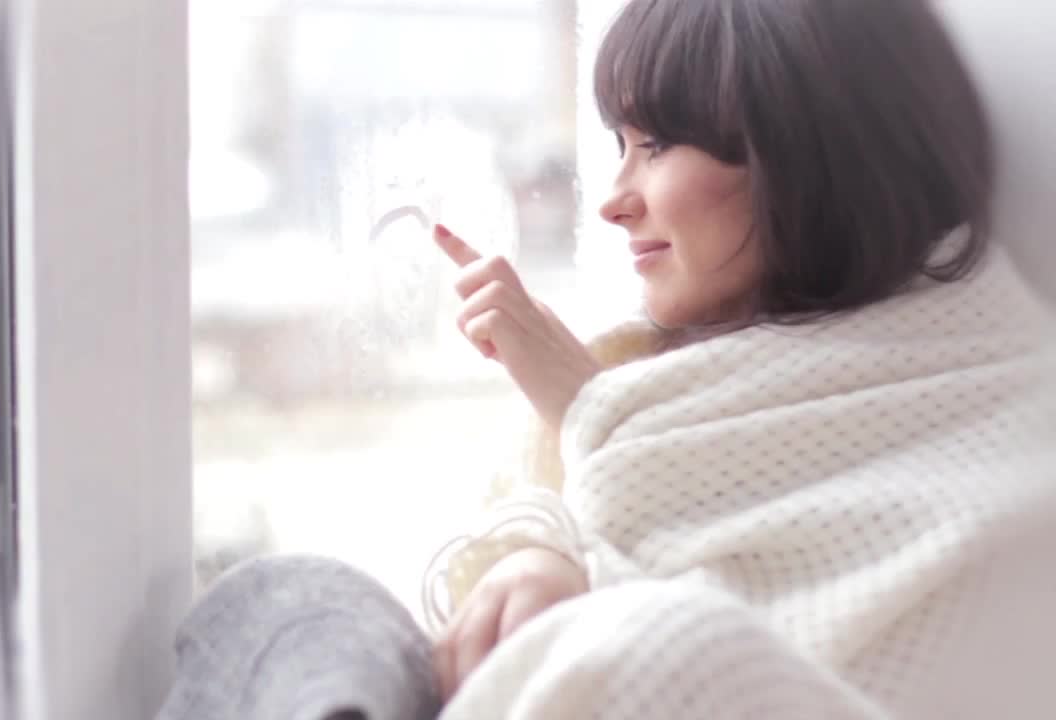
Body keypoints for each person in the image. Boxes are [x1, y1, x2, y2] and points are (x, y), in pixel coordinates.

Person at [156, 0, 1056, 718]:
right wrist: (545, 557)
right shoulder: (674, 353)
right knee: (297, 597)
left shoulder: (979, 381)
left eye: (656, 146)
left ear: (811, 147)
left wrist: (586, 408)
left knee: (661, 650)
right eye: (618, 147)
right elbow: (630, 556)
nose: (613, 201)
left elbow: (741, 648)